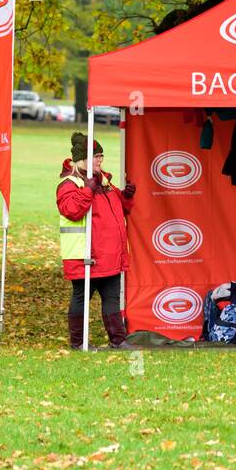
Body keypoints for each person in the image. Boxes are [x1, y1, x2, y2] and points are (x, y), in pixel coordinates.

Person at [56, 131, 136, 349]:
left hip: (109, 254)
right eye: (96, 156)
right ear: (82, 158)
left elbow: (122, 209)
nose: (101, 159)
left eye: (101, 156)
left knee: (112, 299)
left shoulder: (105, 181)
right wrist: (89, 189)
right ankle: (78, 343)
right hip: (86, 255)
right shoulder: (69, 184)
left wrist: (127, 197)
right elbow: (72, 210)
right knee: (81, 299)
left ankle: (118, 341)